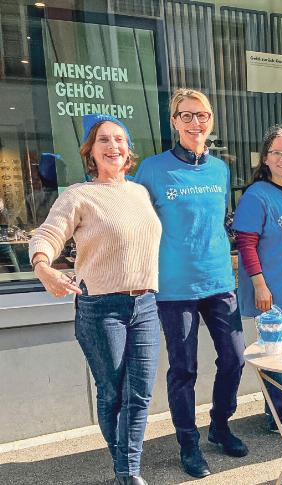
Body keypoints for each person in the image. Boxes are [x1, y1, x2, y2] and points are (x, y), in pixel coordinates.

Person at [29, 114, 162, 485]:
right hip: (101, 308)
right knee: (112, 393)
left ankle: (127, 471)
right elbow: (47, 235)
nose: (113, 146)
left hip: (146, 305)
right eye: (104, 140)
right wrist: (44, 267)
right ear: (91, 151)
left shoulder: (139, 193)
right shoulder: (79, 195)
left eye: (119, 139)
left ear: (128, 150)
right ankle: (125, 467)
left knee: (140, 393)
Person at [133, 89, 247, 478]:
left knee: (234, 357)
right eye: (186, 116)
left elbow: (221, 220)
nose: (195, 123)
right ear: (174, 122)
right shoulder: (151, 169)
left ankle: (219, 424)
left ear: (211, 121)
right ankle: (188, 442)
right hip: (174, 287)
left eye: (202, 116)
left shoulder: (220, 169)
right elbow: (136, 224)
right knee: (184, 369)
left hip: (218, 280)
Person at [232, 125, 282, 438]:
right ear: (265, 158)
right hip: (270, 290)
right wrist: (260, 285)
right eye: (276, 152)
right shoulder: (256, 196)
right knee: (274, 353)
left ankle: (281, 404)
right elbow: (246, 244)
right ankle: (277, 414)